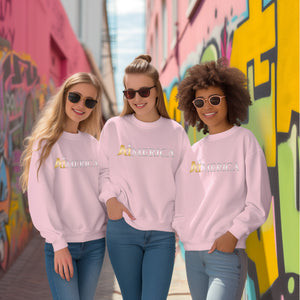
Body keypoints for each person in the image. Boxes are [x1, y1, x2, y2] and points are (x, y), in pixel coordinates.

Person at [173, 58, 272, 300]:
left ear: (229, 99)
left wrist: (233, 234)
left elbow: (258, 201)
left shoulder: (244, 141)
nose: (208, 106)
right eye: (200, 102)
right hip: (194, 255)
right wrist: (184, 234)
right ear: (192, 106)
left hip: (227, 253)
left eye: (215, 99)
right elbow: (181, 203)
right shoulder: (192, 152)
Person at [98, 54, 191, 300]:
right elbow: (100, 171)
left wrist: (180, 223)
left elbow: (187, 183)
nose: (137, 99)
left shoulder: (175, 132)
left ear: (156, 91)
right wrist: (110, 200)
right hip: (123, 230)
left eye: (143, 92)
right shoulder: (114, 128)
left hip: (162, 232)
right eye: (130, 93)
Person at [19, 72, 106, 300]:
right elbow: (41, 197)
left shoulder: (93, 145)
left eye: (89, 101)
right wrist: (59, 244)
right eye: (75, 97)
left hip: (95, 244)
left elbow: (103, 190)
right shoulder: (46, 144)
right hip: (63, 243)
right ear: (64, 96)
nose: (81, 105)